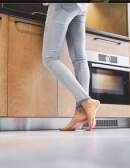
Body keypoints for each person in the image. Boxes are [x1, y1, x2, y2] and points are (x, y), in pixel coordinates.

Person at [42, 3, 100, 131]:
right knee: (80, 59)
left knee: (50, 59)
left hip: (63, 5)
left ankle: (87, 101)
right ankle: (80, 111)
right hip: (81, 6)